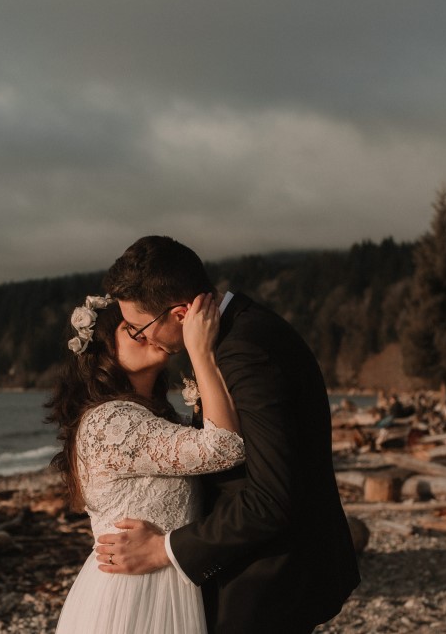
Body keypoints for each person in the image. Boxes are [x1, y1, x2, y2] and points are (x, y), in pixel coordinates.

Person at [97, 236, 360, 634]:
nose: (142, 339)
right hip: (269, 568)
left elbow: (272, 498)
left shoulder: (244, 351)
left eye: (140, 327)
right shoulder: (243, 330)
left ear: (181, 314)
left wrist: (165, 549)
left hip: (269, 576)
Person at [48, 291, 245, 634]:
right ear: (106, 348)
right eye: (133, 330)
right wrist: (201, 353)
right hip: (133, 595)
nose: (150, 333)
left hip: (162, 583)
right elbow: (225, 447)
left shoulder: (151, 417)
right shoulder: (111, 421)